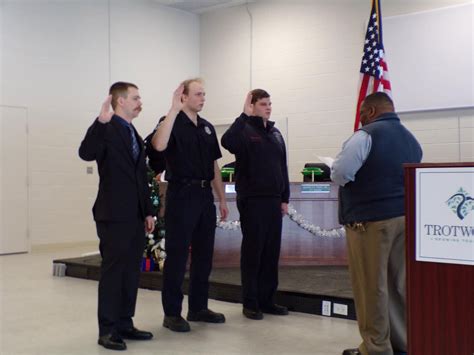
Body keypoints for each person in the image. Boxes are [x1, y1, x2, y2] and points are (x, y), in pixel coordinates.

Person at [331, 92, 422, 355]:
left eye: (361, 113)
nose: (360, 119)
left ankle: (376, 348)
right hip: (404, 218)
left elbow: (341, 173)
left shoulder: (366, 136)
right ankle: (402, 343)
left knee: (371, 286)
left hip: (370, 222)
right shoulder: (411, 139)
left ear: (370, 111)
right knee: (397, 285)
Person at [79, 82, 155, 351]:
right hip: (112, 214)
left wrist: (148, 211)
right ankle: (107, 329)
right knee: (113, 273)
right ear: (120, 101)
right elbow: (85, 153)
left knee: (131, 272)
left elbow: (140, 177)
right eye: (135, 98)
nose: (139, 101)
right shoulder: (107, 128)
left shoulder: (133, 132)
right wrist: (99, 123)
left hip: (134, 215)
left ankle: (125, 322)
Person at [151, 78, 229, 332]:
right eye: (197, 94)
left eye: (204, 94)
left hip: (205, 196)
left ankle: (198, 308)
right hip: (181, 195)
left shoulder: (206, 127)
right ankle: (172, 313)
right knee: (177, 255)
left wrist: (222, 199)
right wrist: (172, 110)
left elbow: (214, 165)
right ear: (183, 97)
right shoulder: (170, 122)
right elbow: (158, 145)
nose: (203, 98)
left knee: (204, 255)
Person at [221, 89, 290, 320]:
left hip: (273, 201)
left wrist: (285, 198)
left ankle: (267, 300)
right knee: (254, 252)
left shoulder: (275, 133)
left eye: (270, 103)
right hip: (252, 200)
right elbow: (226, 141)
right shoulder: (244, 131)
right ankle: (250, 303)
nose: (268, 107)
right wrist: (243, 116)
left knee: (271, 253)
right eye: (263, 104)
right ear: (252, 105)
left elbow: (283, 167)